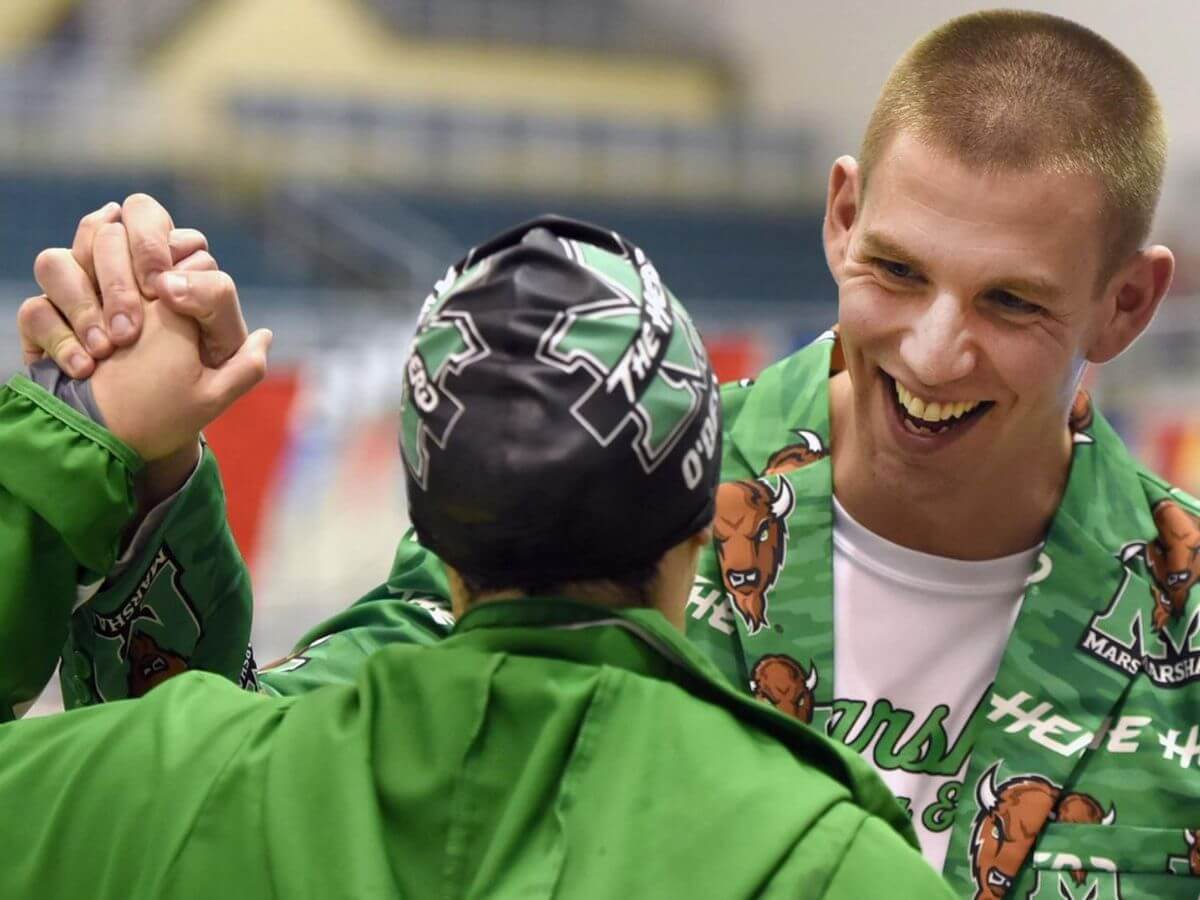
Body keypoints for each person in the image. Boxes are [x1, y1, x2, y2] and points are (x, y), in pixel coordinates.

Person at [17, 10, 1200, 898]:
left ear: (1127, 304)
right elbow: (233, 797)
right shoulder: (618, 478)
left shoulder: (1179, 633)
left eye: (1011, 302)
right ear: (842, 218)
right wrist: (145, 469)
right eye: (897, 270)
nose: (936, 350)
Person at [0, 217, 950, 898]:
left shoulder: (178, 783)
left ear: (426, 519)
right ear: (705, 514)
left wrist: (79, 441)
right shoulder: (828, 863)